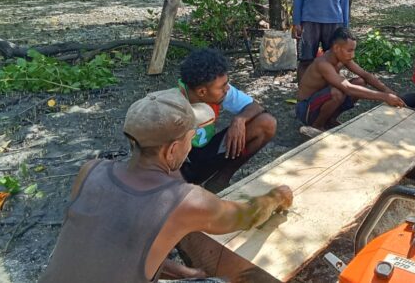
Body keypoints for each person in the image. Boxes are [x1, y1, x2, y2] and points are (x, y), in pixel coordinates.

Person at [40, 89, 292, 283]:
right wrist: (276, 196)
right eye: (190, 139)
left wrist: (187, 273)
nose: (191, 145)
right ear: (172, 150)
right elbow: (249, 215)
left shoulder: (90, 170)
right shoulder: (184, 201)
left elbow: (117, 246)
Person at [178, 48, 277, 193]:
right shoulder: (174, 105)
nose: (227, 89)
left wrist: (239, 119)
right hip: (179, 165)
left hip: (204, 152)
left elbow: (255, 106)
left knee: (267, 123)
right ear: (202, 92)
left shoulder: (215, 88)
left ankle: (220, 181)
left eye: (226, 84)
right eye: (222, 87)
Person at [296, 27, 405, 137]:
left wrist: (389, 91)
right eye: (349, 51)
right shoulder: (322, 64)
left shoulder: (342, 58)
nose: (352, 55)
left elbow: (365, 75)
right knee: (337, 92)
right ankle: (317, 126)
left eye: (353, 50)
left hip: (320, 100)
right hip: (305, 109)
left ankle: (330, 120)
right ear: (337, 48)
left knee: (360, 82)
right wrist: (385, 97)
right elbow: (347, 88)